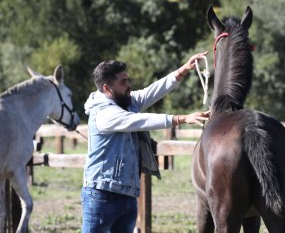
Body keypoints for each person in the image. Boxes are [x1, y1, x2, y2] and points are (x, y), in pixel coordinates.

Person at [81, 52, 210, 232]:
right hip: (102, 195)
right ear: (107, 88)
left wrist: (183, 70)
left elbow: (152, 91)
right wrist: (181, 118)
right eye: (123, 82)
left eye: (128, 80)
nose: (129, 85)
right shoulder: (103, 114)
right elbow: (139, 120)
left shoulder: (126, 102)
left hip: (127, 194)